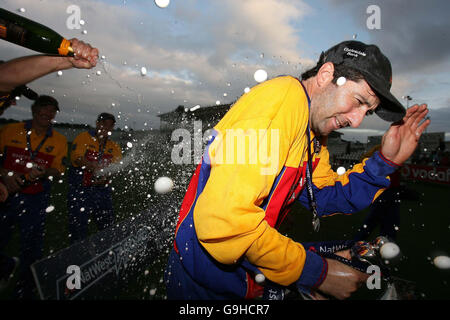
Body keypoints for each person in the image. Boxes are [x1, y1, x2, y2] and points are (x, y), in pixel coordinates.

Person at [164, 40, 430, 300]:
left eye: (367, 112)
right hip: (205, 284)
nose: (356, 120)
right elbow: (224, 222)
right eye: (358, 100)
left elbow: (325, 196)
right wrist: (319, 273)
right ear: (326, 75)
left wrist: (384, 161)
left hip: (233, 277)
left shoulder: (311, 131)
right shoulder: (282, 100)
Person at [0, 95, 68, 298]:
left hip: (36, 197)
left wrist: (45, 172)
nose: (46, 115)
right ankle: (6, 266)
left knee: (31, 245)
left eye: (51, 112)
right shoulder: (10, 130)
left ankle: (26, 288)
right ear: (34, 110)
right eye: (43, 110)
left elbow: (59, 170)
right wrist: (6, 175)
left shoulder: (59, 140)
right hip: (5, 194)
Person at [67, 113, 122, 243]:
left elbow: (116, 168)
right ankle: (78, 256)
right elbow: (77, 158)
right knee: (78, 227)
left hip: (102, 191)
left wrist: (106, 176)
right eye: (104, 124)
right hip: (80, 189)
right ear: (98, 123)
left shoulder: (114, 146)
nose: (106, 128)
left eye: (110, 126)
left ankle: (106, 254)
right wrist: (94, 168)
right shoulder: (83, 138)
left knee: (107, 226)